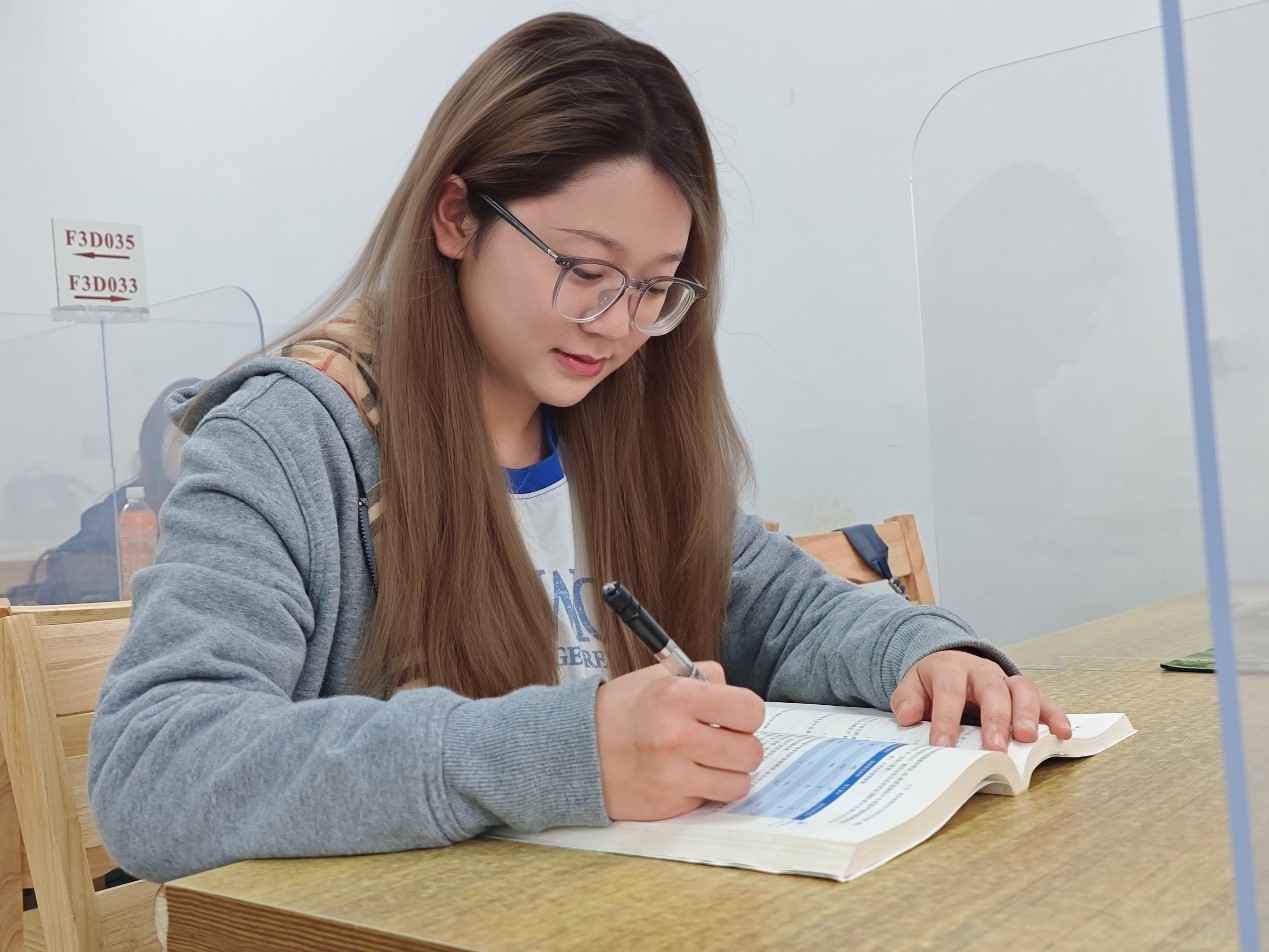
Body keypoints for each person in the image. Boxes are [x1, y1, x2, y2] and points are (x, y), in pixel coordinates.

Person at [87, 13, 1071, 885]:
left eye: (655, 286)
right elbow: (153, 771)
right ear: (457, 217)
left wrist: (925, 652)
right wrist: (562, 750)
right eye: (586, 269)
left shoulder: (619, 421)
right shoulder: (295, 436)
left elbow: (784, 610)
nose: (618, 325)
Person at [4, 377, 196, 605]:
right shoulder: (127, 510)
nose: (199, 451)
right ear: (155, 448)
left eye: (210, 441)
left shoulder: (229, 502)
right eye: (183, 441)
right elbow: (62, 582)